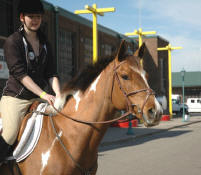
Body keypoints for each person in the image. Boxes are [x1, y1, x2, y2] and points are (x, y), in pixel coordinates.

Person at [0, 0, 61, 163]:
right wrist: (44, 94)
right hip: (16, 98)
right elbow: (20, 75)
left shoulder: (45, 44)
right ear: (22, 17)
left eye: (38, 17)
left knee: (64, 116)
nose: (35, 20)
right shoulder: (13, 41)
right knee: (10, 133)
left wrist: (59, 96)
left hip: (38, 98)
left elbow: (52, 73)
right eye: (31, 16)